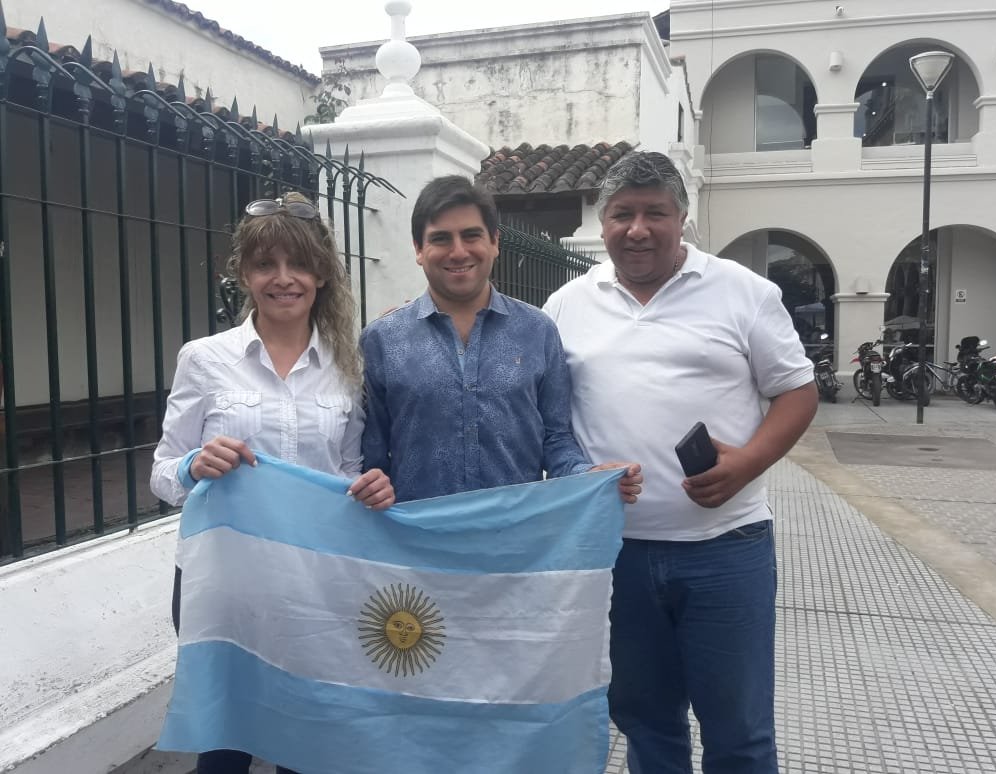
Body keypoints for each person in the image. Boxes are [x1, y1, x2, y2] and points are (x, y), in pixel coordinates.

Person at [543, 152, 818, 774]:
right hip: (616, 554)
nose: (637, 229)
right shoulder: (566, 305)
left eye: (655, 214)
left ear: (682, 218)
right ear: (603, 223)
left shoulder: (744, 292)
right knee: (645, 723)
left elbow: (797, 391)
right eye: (622, 215)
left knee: (739, 730)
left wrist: (748, 463)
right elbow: (551, 420)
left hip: (726, 548)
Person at [151, 191, 394, 774]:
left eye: (299, 263)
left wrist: (371, 488)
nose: (283, 278)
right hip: (224, 580)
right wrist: (193, 465)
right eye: (265, 264)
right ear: (243, 273)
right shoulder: (204, 359)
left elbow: (346, 472)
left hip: (315, 578)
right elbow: (163, 472)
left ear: (322, 274)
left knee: (306, 741)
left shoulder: (348, 368)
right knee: (224, 743)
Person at [359, 174, 642, 504]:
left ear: (494, 241)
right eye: (441, 239)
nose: (458, 252)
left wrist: (589, 476)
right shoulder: (383, 340)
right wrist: (372, 486)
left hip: (517, 531)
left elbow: (556, 441)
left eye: (471, 235)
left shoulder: (538, 332)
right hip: (416, 534)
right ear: (419, 249)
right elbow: (370, 455)